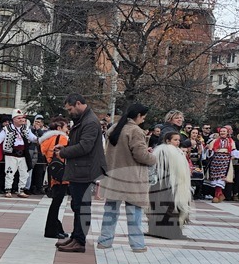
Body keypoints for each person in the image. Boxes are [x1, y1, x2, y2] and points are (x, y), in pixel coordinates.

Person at [96, 103, 156, 252]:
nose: (143, 120)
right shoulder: (135, 130)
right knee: (134, 213)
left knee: (110, 211)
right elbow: (140, 155)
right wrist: (153, 158)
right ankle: (137, 244)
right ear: (138, 116)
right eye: (143, 117)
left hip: (114, 176)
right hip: (131, 178)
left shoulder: (113, 128)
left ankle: (104, 241)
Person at [55, 93, 106, 253]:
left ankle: (80, 241)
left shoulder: (90, 121)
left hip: (85, 169)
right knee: (77, 205)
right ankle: (76, 237)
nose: (69, 112)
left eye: (70, 109)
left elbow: (85, 146)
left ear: (78, 103)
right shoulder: (84, 119)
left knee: (82, 206)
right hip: (81, 168)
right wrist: (65, 148)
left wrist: (64, 153)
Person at [147, 131, 193, 240]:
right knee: (166, 207)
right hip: (164, 184)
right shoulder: (163, 151)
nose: (177, 142)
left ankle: (165, 231)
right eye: (175, 140)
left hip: (172, 185)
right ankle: (166, 232)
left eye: (178, 140)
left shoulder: (177, 151)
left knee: (170, 208)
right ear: (168, 140)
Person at [0, 110, 38, 198]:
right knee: (9, 172)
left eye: (22, 118)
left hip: (23, 154)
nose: (21, 119)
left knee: (24, 173)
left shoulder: (26, 128)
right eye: (19, 118)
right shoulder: (7, 129)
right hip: (11, 154)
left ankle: (21, 190)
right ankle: (8, 190)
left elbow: (32, 137)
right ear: (14, 119)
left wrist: (39, 139)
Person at [39, 118, 70, 239]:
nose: (67, 129)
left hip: (53, 172)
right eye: (66, 127)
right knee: (56, 203)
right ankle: (52, 229)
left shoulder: (47, 139)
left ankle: (56, 227)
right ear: (59, 128)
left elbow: (44, 152)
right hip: (62, 173)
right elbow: (67, 154)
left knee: (55, 202)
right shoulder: (62, 138)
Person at [206, 126, 238, 203]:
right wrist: (208, 150)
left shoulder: (231, 141)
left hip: (225, 161)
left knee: (222, 178)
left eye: (224, 131)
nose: (222, 133)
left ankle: (217, 195)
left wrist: (234, 156)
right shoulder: (214, 141)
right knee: (215, 179)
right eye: (221, 131)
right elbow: (210, 151)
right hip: (216, 161)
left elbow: (233, 151)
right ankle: (219, 195)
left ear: (227, 133)